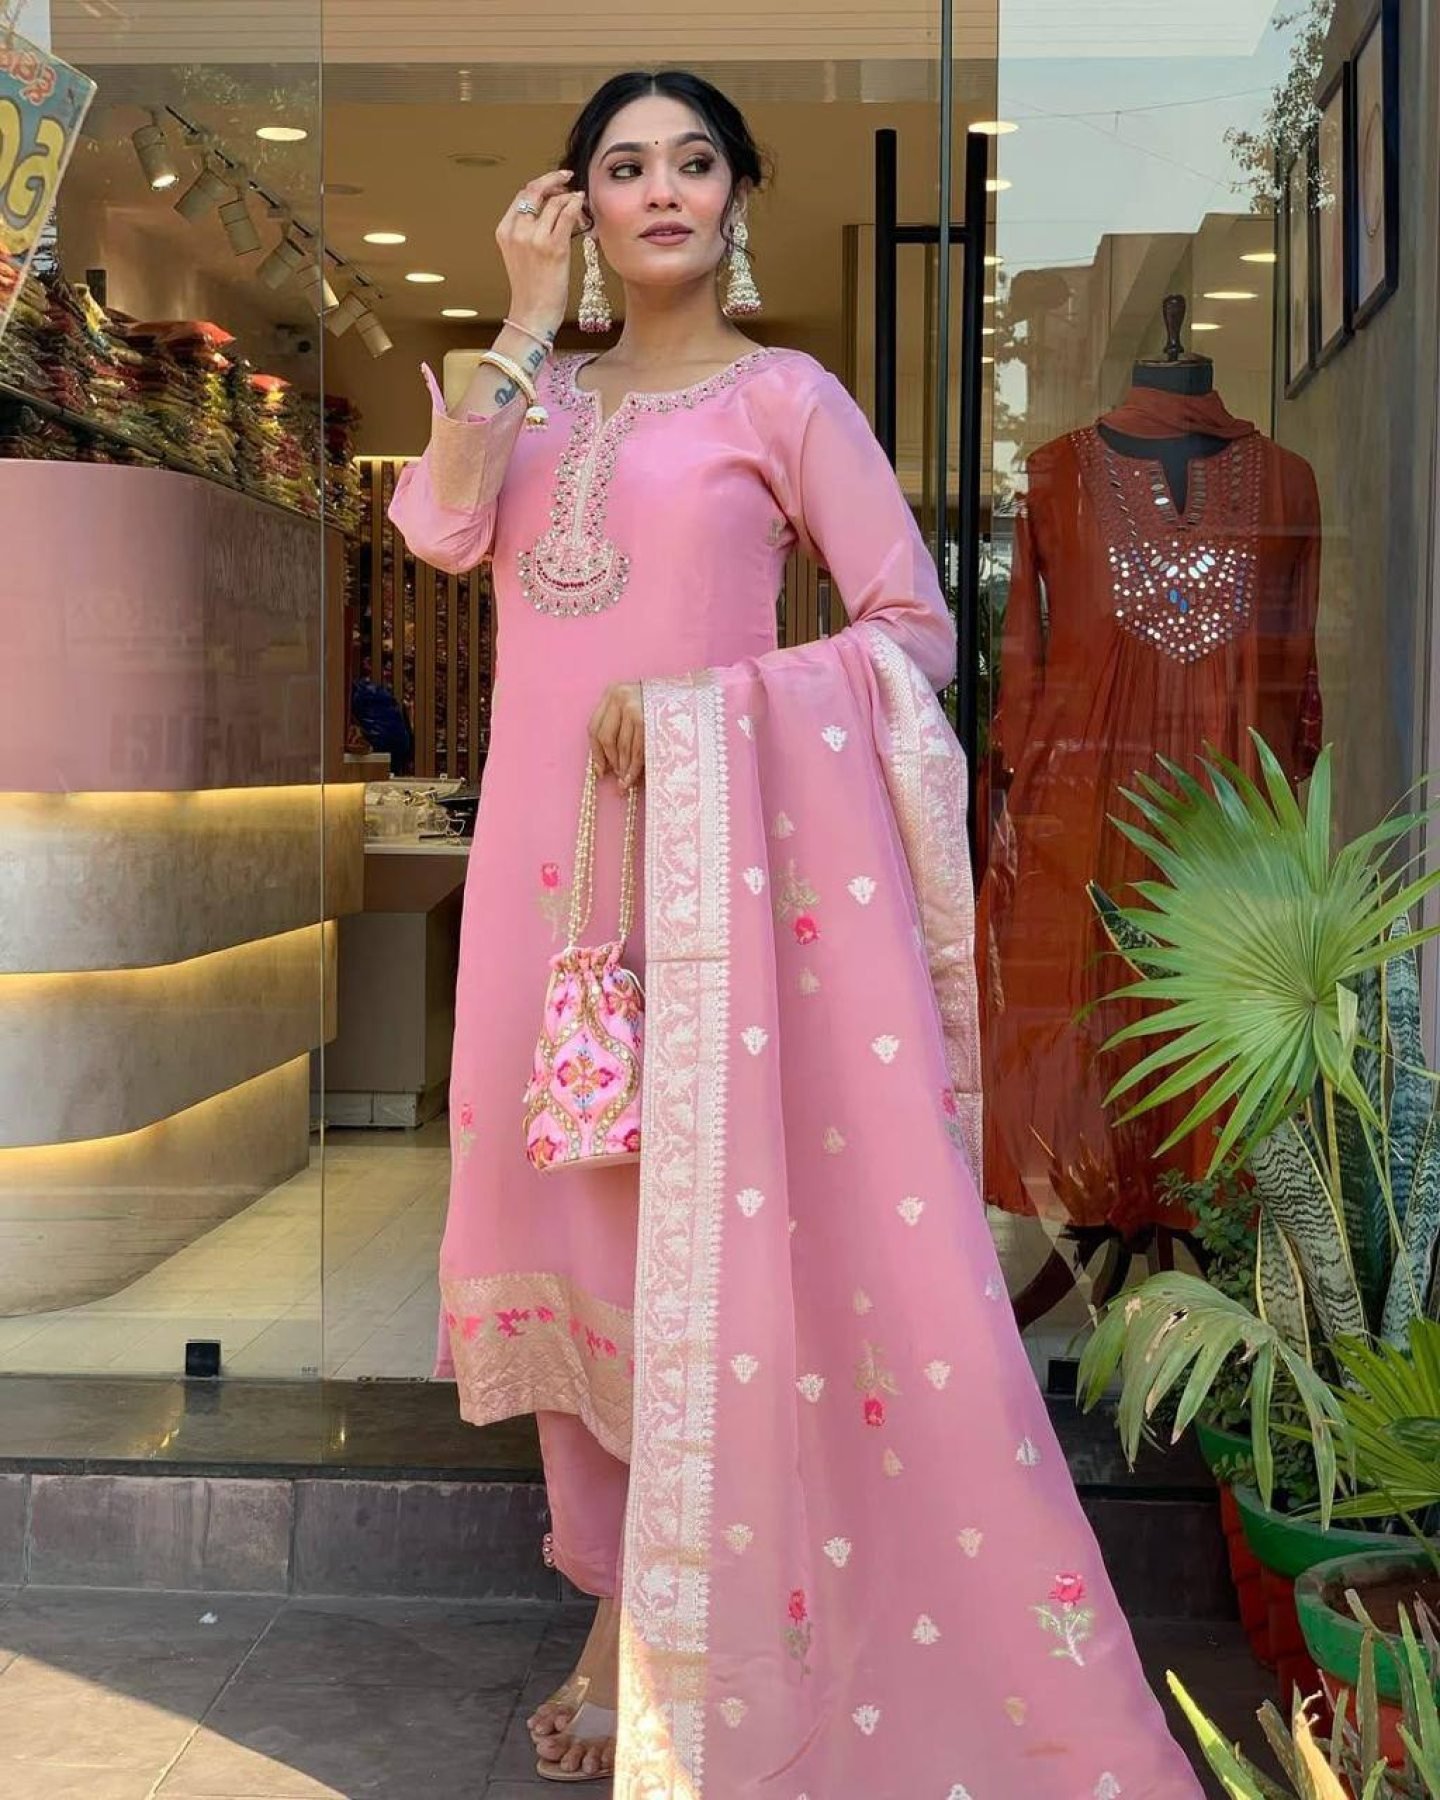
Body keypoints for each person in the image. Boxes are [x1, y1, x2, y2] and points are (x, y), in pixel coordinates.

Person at [389, 67, 1203, 1799]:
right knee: (564, 1243)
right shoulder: (523, 398)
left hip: (705, 910)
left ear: (738, 196)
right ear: (578, 206)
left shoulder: (788, 397)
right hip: (539, 903)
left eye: (694, 162)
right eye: (624, 166)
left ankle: (664, 1634)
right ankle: (621, 1601)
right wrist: (522, 324)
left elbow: (912, 632)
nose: (661, 190)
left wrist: (716, 708)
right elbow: (443, 530)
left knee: (680, 1252)